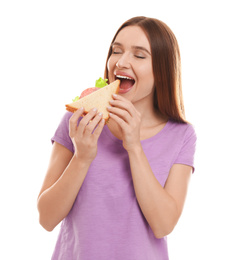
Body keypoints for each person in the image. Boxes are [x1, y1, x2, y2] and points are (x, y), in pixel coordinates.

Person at [37, 16, 197, 260]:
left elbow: (163, 225)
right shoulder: (79, 120)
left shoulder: (181, 135)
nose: (120, 62)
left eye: (139, 55)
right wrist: (82, 158)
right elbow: (46, 219)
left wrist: (134, 146)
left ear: (163, 71)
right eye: (116, 51)